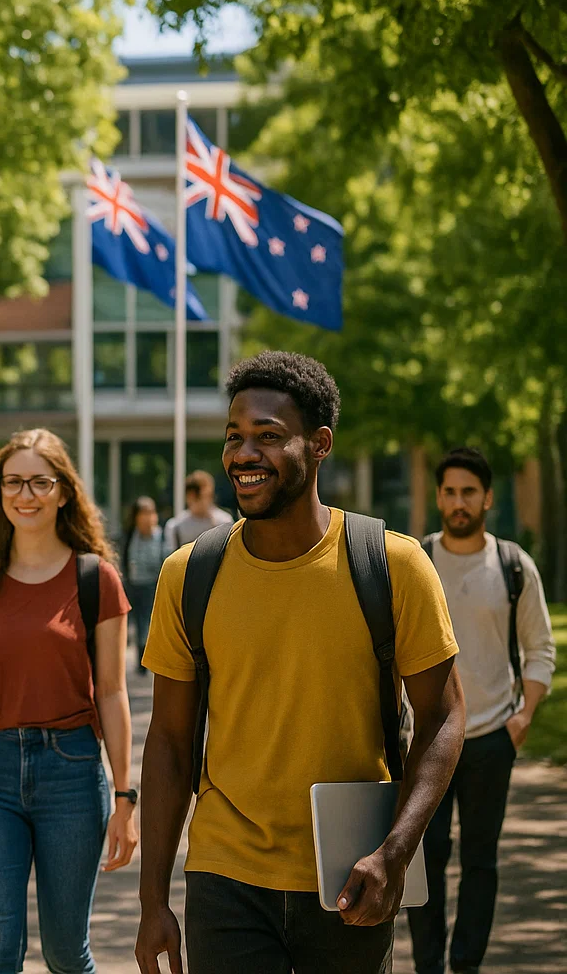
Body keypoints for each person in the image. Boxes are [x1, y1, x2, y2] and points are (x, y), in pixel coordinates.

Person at [136, 351, 465, 974]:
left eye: (268, 436)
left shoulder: (392, 565)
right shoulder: (189, 574)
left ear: (319, 445)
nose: (242, 454)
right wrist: (154, 902)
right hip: (224, 875)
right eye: (235, 436)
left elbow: (445, 718)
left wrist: (393, 853)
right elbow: (172, 743)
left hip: (351, 871)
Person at [0, 429, 138, 974]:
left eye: (40, 482)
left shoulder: (97, 578)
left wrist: (125, 797)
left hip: (72, 772)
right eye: (13, 482)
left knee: (67, 953)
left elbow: (114, 693)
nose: (26, 495)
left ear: (63, 492)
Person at [408, 447, 556, 974]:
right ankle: (429, 966)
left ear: (488, 498)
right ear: (440, 497)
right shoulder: (417, 561)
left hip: (493, 737)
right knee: (423, 859)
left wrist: (522, 719)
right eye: (449, 491)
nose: (458, 502)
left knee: (480, 863)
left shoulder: (514, 565)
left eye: (469, 491)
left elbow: (540, 648)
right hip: (425, 740)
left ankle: (464, 965)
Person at [122, 497, 166, 672]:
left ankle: (150, 660)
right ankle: (142, 660)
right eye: (143, 513)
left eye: (150, 512)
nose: (147, 517)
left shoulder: (161, 536)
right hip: (135, 585)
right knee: (139, 623)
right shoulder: (130, 536)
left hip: (154, 585)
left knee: (150, 623)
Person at [162, 470, 233, 551]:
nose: (207, 500)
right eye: (201, 496)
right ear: (189, 496)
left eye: (209, 495)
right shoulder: (175, 526)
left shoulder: (224, 523)